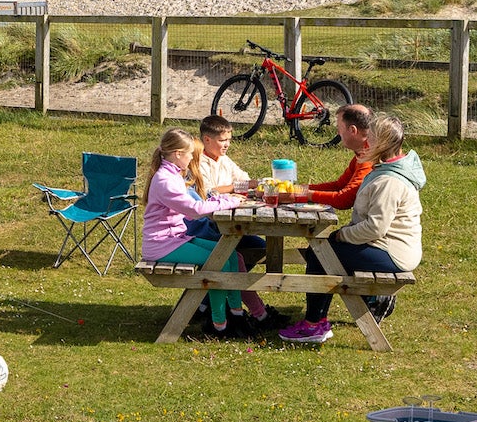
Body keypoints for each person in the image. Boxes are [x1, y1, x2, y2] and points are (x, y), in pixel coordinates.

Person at [279, 113, 424, 345]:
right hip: (386, 247)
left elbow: (375, 228)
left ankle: (315, 324)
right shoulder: (384, 170)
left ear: (382, 142)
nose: (367, 142)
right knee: (322, 251)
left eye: (372, 137)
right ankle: (319, 321)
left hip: (392, 253)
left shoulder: (390, 182)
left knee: (320, 252)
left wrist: (342, 234)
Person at [140, 127, 253, 339]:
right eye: (191, 153)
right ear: (178, 154)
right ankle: (219, 324)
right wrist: (228, 201)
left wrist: (219, 201)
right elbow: (194, 210)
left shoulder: (173, 176)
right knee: (217, 261)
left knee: (228, 255)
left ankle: (236, 314)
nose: (193, 157)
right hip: (162, 246)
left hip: (175, 239)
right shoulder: (165, 180)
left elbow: (194, 207)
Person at [195, 115, 283, 330]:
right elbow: (208, 192)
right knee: (234, 256)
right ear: (207, 140)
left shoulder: (224, 160)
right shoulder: (198, 162)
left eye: (229, 140)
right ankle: (255, 313)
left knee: (259, 247)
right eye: (222, 140)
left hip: (226, 223)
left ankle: (205, 302)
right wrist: (236, 187)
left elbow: (246, 180)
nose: (226, 145)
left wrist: (244, 185)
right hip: (206, 226)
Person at [306, 103, 376, 209]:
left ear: (353, 130)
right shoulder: (363, 152)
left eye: (339, 128)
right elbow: (340, 186)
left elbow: (344, 200)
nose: (338, 133)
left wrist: (302, 195)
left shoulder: (370, 156)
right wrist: (300, 189)